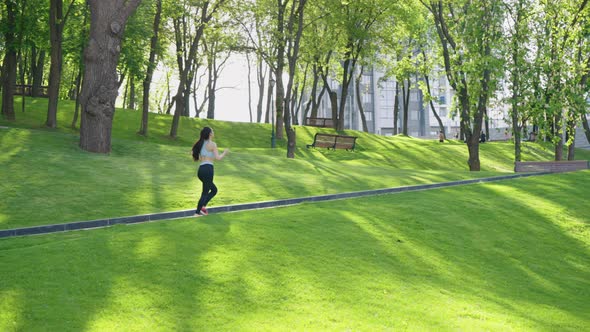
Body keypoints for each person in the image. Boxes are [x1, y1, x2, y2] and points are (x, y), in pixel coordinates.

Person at [191, 127, 229, 217]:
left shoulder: (200, 143)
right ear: (210, 134)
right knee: (204, 192)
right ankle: (197, 212)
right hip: (208, 169)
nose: (213, 132)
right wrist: (224, 152)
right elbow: (218, 158)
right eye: (212, 131)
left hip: (201, 170)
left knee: (214, 190)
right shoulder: (212, 144)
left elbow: (199, 157)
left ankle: (203, 207)